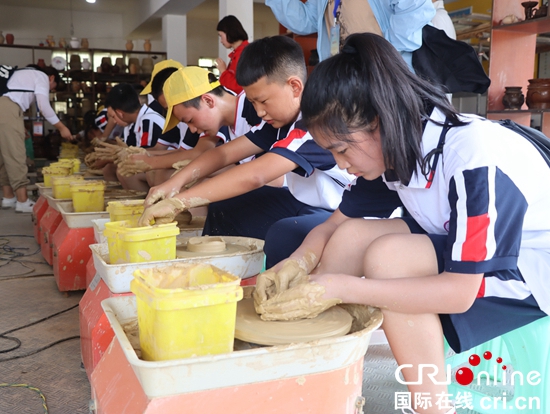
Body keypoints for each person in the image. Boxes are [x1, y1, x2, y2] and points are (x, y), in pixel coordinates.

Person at [254, 33, 550, 414]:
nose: (341, 164)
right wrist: (296, 263)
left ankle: (432, 407)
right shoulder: (399, 145)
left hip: (532, 269)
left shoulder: (472, 157)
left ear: (378, 121)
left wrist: (338, 288)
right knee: (351, 237)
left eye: (342, 149)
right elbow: (334, 225)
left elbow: (459, 292)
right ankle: (322, 376)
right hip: (483, 253)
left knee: (390, 258)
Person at [140, 36, 399, 267]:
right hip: (310, 203)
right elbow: (224, 154)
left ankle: (272, 288)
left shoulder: (316, 123)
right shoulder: (278, 121)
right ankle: (221, 271)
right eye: (253, 103)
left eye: (263, 101)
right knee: (226, 206)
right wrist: (174, 185)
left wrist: (180, 201)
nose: (260, 112)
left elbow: (256, 175)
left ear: (295, 87)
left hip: (348, 208)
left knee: (285, 234)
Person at [266, 0, 435, 69]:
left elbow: (416, 9)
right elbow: (304, 21)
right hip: (340, 76)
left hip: (382, 72)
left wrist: (385, 53)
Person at [1, 65, 74, 213]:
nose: (51, 90)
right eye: (53, 87)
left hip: (4, 106)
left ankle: (8, 197)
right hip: (7, 107)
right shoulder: (41, 76)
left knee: (4, 154)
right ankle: (22, 201)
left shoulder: (21, 74)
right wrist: (61, 127)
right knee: (16, 154)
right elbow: (43, 106)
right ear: (51, 78)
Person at [216, 15, 249, 94]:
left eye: (221, 36)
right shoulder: (237, 53)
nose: (221, 41)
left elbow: (240, 87)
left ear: (229, 32)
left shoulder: (245, 53)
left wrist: (223, 71)